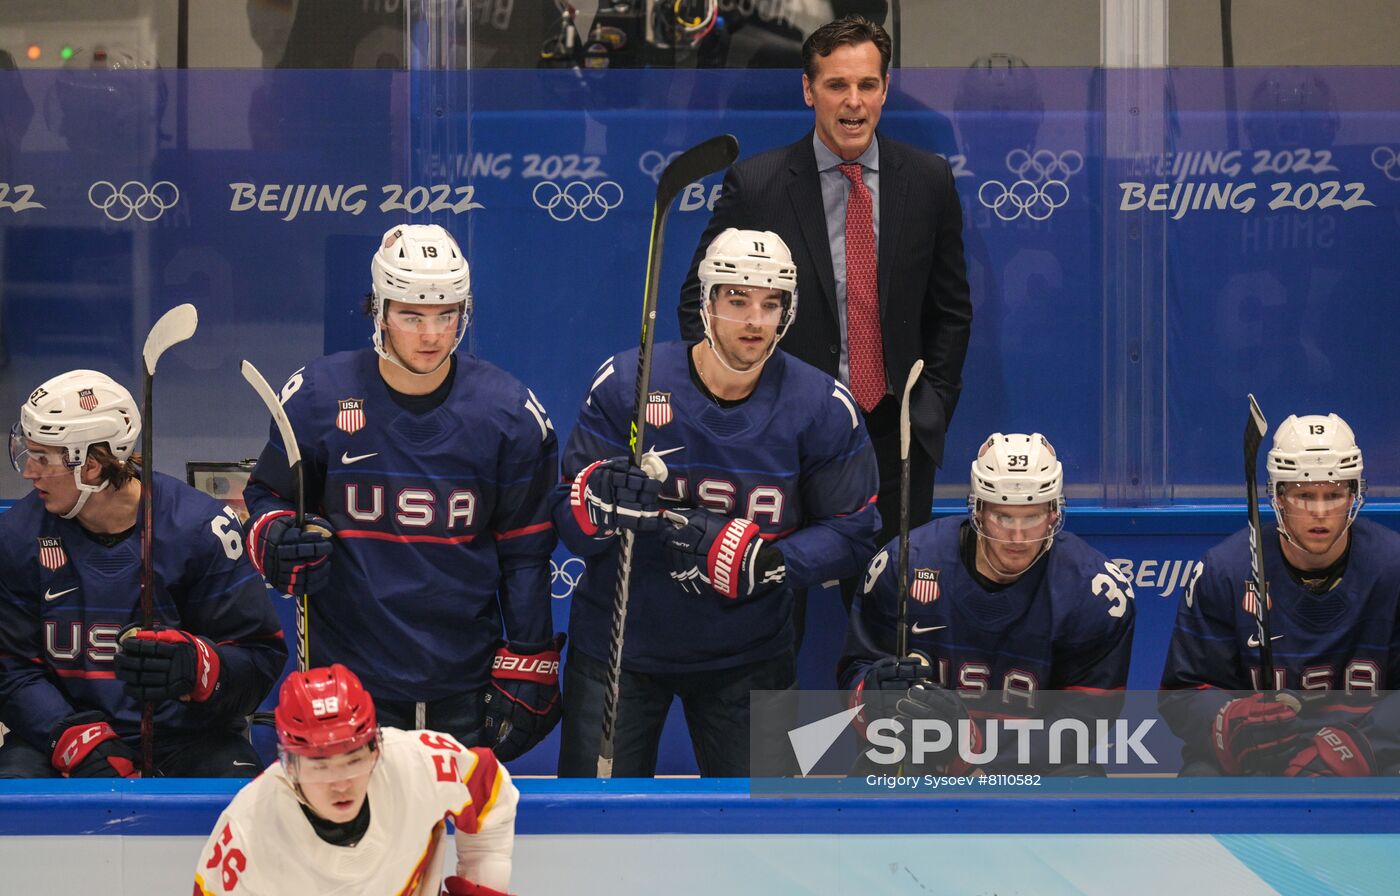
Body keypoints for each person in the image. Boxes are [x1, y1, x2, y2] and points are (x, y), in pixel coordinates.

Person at [555, 228, 880, 777]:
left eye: (770, 303)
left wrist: (770, 563)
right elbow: (568, 515)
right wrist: (600, 499)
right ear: (706, 303)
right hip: (620, 650)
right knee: (596, 826)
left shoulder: (821, 405)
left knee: (760, 843)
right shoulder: (627, 384)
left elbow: (854, 529)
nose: (755, 320)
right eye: (737, 300)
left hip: (748, 655)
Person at [243, 224, 562, 761]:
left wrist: (528, 658)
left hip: (463, 679)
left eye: (446, 314)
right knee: (348, 837)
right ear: (379, 311)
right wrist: (277, 536)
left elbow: (526, 553)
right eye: (412, 315)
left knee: (454, 841)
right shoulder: (317, 397)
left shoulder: (508, 413)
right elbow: (267, 498)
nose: (432, 334)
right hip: (345, 678)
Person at [679, 14, 972, 558]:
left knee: (889, 613)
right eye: (837, 85)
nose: (853, 101)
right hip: (779, 437)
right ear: (809, 91)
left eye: (867, 84)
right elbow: (698, 305)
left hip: (896, 438)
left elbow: (950, 310)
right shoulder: (759, 184)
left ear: (885, 89)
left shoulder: (929, 179)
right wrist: (740, 409)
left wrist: (931, 407)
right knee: (772, 602)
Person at [0, 369, 286, 778]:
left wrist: (199, 667)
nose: (28, 473)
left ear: (93, 466)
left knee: (238, 795)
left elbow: (259, 659)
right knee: (13, 797)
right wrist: (69, 737)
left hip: (188, 738)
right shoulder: (17, 536)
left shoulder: (201, 530)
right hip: (60, 732)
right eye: (28, 454)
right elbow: (11, 669)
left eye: (43, 458)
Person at [839, 432, 1136, 775]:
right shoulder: (904, 562)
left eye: (1032, 516)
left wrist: (973, 756)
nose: (1018, 537)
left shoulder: (1095, 592)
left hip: (1034, 771)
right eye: (1003, 517)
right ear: (978, 510)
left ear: (1054, 513)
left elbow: (1085, 721)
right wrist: (872, 695)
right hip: (925, 759)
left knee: (1081, 780)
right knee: (874, 771)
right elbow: (856, 670)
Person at [1160, 414, 1400, 776]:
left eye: (1333, 495)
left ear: (1354, 494)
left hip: (1370, 759)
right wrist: (1229, 722)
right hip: (1260, 756)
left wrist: (1363, 746)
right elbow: (1183, 691)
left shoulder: (1392, 568)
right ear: (1278, 497)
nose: (1320, 513)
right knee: (1200, 779)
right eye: (1304, 496)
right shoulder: (1225, 571)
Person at [193, 663, 517, 896]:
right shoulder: (248, 830)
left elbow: (488, 785)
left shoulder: (417, 763)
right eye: (320, 766)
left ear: (376, 749)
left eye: (353, 760)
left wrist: (482, 879)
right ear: (289, 766)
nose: (340, 783)